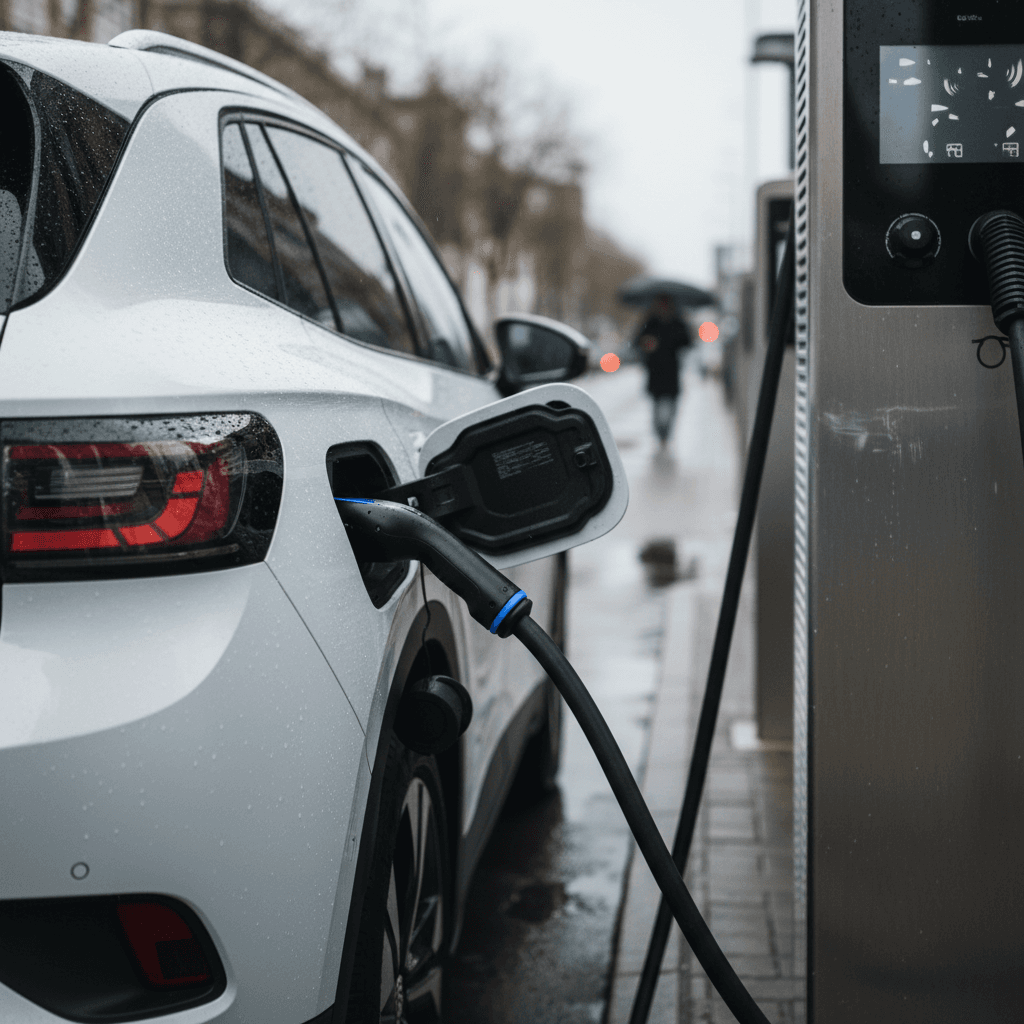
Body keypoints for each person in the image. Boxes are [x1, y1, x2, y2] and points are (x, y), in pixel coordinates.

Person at [632, 293, 693, 444]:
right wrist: (646, 343)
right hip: (655, 372)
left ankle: (666, 433)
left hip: (672, 371)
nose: (662, 308)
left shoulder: (678, 322)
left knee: (671, 404)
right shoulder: (649, 322)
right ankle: (660, 433)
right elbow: (636, 341)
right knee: (656, 405)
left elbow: (688, 341)